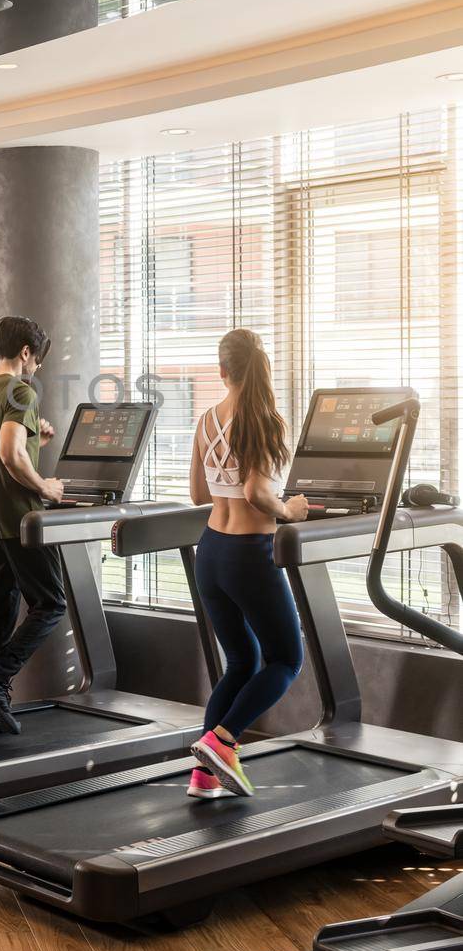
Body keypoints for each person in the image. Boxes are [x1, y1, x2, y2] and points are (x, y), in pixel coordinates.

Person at [187, 327, 308, 799]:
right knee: (286, 659)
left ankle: (203, 776)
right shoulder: (264, 420)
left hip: (210, 550)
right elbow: (259, 494)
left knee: (240, 661)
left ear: (223, 372)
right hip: (249, 555)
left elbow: (200, 494)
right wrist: (290, 511)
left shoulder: (206, 419)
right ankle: (222, 739)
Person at [0, 315, 68, 737]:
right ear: (26, 352)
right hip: (18, 519)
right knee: (51, 604)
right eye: (37, 360)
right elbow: (7, 455)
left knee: (0, 614)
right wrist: (47, 487)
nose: (36, 367)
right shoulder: (22, 391)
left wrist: (33, 444)